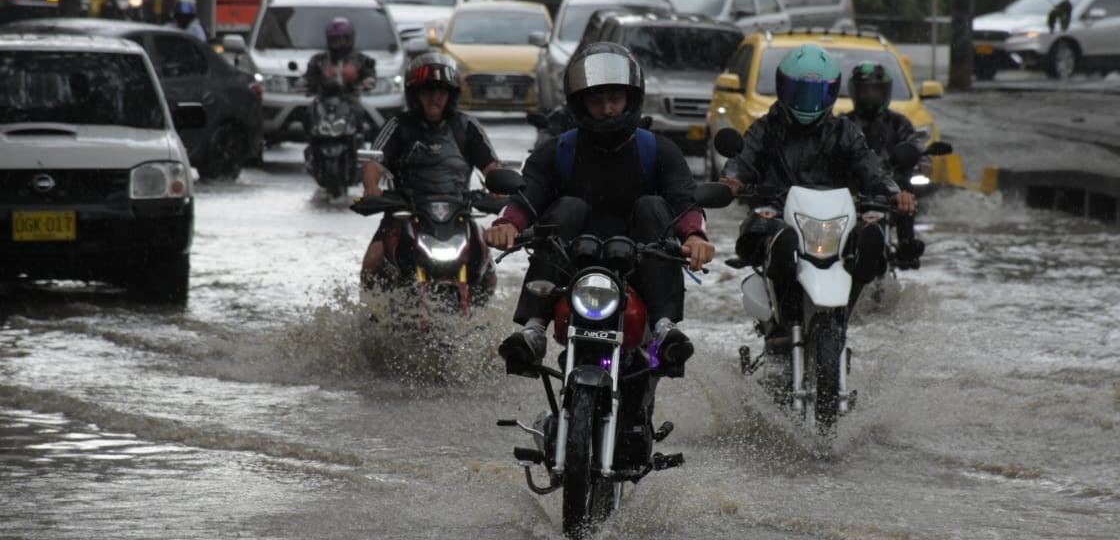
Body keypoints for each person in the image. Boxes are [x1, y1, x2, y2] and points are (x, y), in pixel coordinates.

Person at [485, 42, 716, 370]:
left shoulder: (659, 151)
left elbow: (685, 201)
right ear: (581, 103)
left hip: (639, 266)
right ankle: (535, 329)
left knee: (652, 205)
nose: (607, 109)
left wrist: (695, 237)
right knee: (567, 207)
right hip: (574, 265)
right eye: (597, 100)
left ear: (630, 99)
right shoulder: (558, 151)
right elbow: (526, 196)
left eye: (614, 99)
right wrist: (506, 224)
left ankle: (665, 327)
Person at [718, 44, 916, 318]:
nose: (807, 102)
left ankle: (847, 310)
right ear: (783, 88)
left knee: (869, 236)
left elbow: (868, 163)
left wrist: (894, 192)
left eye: (816, 94)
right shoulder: (764, 129)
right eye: (799, 93)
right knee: (772, 234)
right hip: (778, 213)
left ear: (832, 93)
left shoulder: (844, 131)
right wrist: (733, 180)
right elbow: (743, 158)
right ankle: (783, 313)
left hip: (833, 219)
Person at [360, 52, 501, 289]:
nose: (434, 97)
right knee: (372, 263)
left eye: (441, 91)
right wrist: (372, 188)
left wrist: (499, 187)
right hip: (403, 214)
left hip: (458, 216)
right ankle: (371, 318)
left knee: (487, 269)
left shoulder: (467, 126)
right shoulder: (398, 125)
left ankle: (480, 319)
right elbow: (374, 162)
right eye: (427, 90)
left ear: (451, 95)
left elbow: (492, 166)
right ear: (415, 94)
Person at [845, 62, 927, 268]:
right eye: (865, 90)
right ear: (855, 92)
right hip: (854, 188)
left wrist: (923, 161)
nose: (870, 95)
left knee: (908, 191)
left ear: (885, 92)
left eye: (875, 89)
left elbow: (915, 145)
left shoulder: (899, 123)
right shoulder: (843, 124)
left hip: (892, 188)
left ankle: (905, 244)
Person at [303, 16, 376, 97]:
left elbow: (369, 73)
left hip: (352, 99)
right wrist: (304, 82)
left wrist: (368, 80)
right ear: (329, 40)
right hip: (324, 99)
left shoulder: (361, 59)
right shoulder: (319, 59)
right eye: (335, 39)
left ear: (351, 39)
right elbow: (310, 76)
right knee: (311, 108)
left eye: (344, 39)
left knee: (363, 108)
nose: (340, 43)